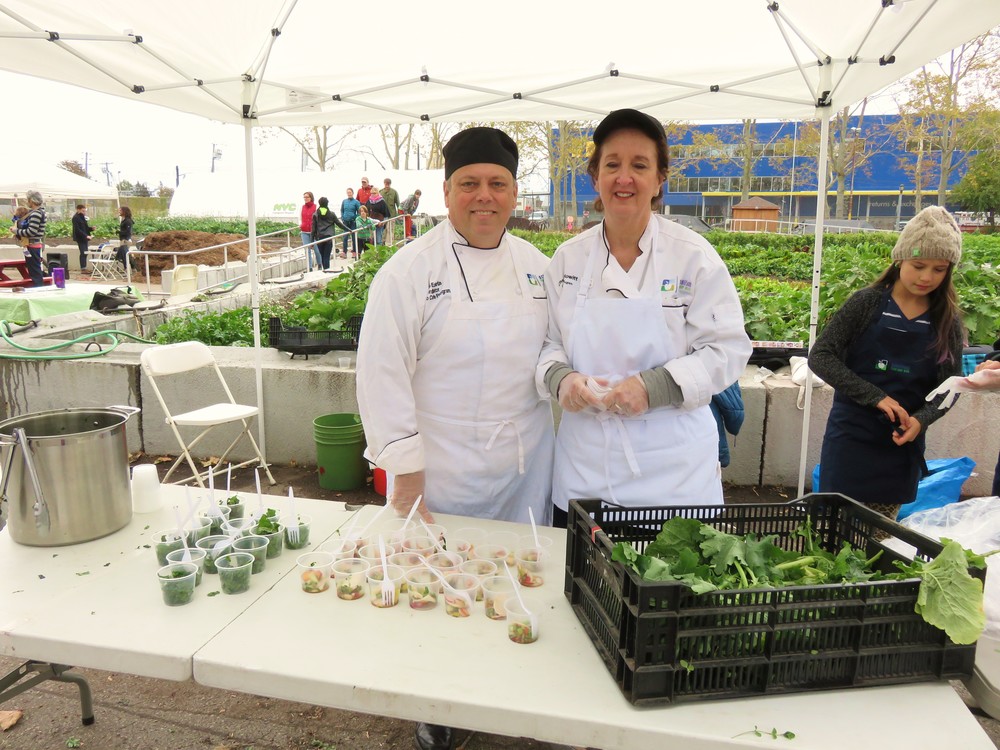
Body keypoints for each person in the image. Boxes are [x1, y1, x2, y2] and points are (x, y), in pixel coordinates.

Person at [357, 127, 553, 750]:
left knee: (515, 579)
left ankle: (510, 692)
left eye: (497, 183)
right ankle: (437, 705)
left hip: (525, 464)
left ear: (514, 193)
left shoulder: (538, 268)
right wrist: (406, 475)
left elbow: (556, 351)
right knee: (442, 586)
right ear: (447, 192)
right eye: (470, 183)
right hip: (442, 468)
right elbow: (381, 372)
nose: (484, 196)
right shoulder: (409, 271)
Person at [536, 109, 751, 527]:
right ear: (595, 176)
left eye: (640, 165)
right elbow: (547, 344)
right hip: (587, 470)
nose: (624, 178)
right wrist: (562, 380)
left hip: (675, 475)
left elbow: (727, 349)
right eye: (612, 164)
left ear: (659, 179)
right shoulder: (568, 259)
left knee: (672, 586)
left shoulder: (693, 257)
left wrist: (656, 387)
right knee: (583, 587)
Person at [809, 205, 965, 520]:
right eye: (918, 265)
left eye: (939, 269)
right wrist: (876, 397)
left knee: (878, 536)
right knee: (830, 532)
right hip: (851, 438)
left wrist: (921, 419)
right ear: (900, 259)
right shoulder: (866, 303)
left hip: (901, 444)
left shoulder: (946, 319)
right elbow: (821, 356)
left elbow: (951, 386)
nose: (927, 277)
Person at [11, 190, 46, 286]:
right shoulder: (39, 212)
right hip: (34, 245)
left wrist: (16, 231)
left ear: (32, 200)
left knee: (35, 272)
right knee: (35, 271)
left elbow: (31, 232)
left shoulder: (36, 213)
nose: (27, 201)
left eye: (28, 199)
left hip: (32, 246)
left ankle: (38, 290)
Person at [310, 196, 349, 270]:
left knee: (322, 256)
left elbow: (313, 229)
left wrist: (311, 241)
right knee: (326, 256)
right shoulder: (332, 214)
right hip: (329, 237)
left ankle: (324, 270)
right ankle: (327, 270)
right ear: (327, 204)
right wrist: (348, 229)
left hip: (319, 238)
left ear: (319, 203)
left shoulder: (315, 214)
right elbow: (339, 224)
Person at [72, 204, 94, 274]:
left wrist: (91, 229)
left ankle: (84, 267)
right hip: (80, 237)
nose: (84, 212)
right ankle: (83, 268)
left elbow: (85, 228)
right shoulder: (75, 218)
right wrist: (86, 236)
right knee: (83, 252)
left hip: (84, 237)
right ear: (78, 210)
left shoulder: (82, 217)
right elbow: (78, 229)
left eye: (85, 211)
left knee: (85, 252)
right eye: (82, 211)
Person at [340, 188, 361, 258]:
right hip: (345, 221)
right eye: (348, 192)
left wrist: (356, 218)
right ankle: (344, 252)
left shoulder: (356, 202)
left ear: (352, 193)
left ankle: (354, 251)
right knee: (345, 237)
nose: (349, 194)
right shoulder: (344, 201)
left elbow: (359, 211)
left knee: (354, 237)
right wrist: (342, 218)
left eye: (350, 192)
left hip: (353, 221)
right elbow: (342, 210)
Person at [299, 191, 318, 268]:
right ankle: (309, 268)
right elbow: (300, 218)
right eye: (304, 197)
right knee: (307, 250)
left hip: (314, 231)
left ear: (311, 198)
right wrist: (301, 225)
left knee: (317, 250)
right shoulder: (302, 207)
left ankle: (319, 264)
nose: (306, 198)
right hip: (304, 231)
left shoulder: (316, 206)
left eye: (307, 197)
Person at [380, 177, 400, 244]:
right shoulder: (380, 192)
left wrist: (399, 214)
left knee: (390, 230)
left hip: (392, 215)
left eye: (388, 184)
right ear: (384, 184)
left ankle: (389, 244)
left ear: (390, 184)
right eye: (386, 184)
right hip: (383, 215)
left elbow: (398, 204)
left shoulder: (394, 192)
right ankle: (382, 243)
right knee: (383, 230)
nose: (387, 185)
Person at [116, 205, 133, 271]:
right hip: (123, 239)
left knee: (125, 255)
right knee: (124, 255)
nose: (119, 212)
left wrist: (120, 232)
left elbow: (128, 232)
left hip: (125, 240)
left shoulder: (128, 221)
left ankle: (128, 268)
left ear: (124, 211)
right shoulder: (124, 220)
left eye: (120, 210)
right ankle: (130, 268)